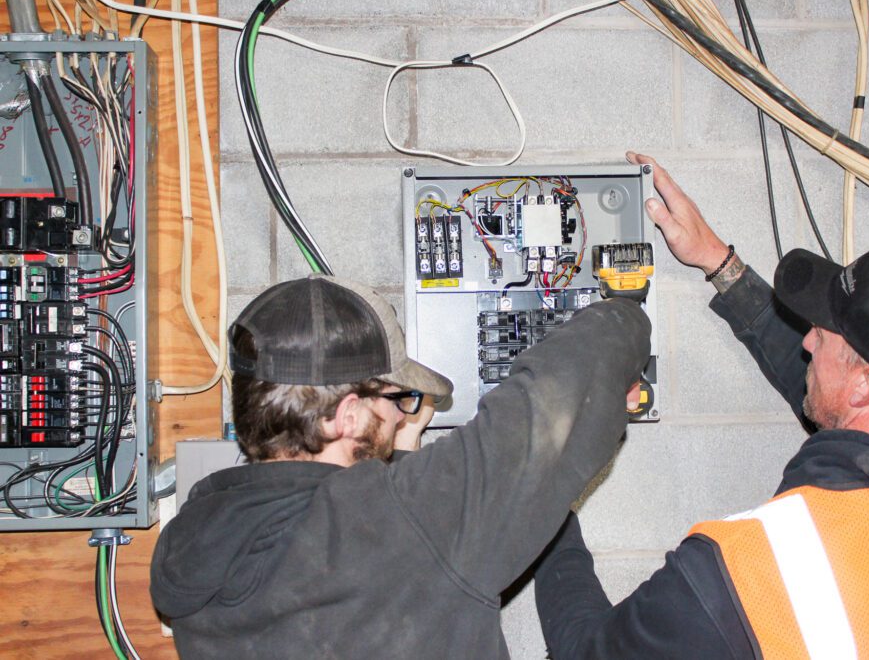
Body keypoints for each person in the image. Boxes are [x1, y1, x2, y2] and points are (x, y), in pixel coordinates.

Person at [533, 152, 869, 659]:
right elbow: (830, 403)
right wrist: (719, 263)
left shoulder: (747, 572)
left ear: (866, 388)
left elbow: (584, 651)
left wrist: (546, 487)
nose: (808, 341)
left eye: (823, 334)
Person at [149, 275, 650, 658]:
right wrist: (624, 307)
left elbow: (377, 582)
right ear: (347, 416)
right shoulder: (407, 520)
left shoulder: (192, 538)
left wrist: (398, 450)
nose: (399, 413)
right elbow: (571, 380)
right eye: (394, 398)